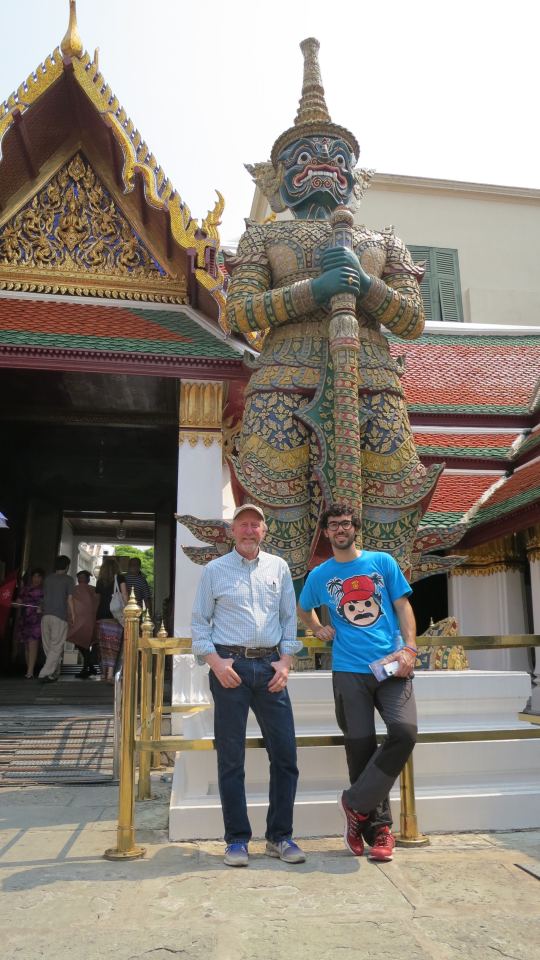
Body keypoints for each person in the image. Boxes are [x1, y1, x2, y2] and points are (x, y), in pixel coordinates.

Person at [221, 37, 440, 591]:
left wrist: (364, 285)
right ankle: (282, 625)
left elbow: (412, 320)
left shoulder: (381, 240)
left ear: (352, 176)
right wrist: (314, 289)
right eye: (304, 157)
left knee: (389, 509)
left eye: (338, 158)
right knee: (281, 511)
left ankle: (385, 624)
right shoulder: (264, 239)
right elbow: (238, 314)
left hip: (372, 378)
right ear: (279, 177)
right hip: (282, 383)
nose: (323, 165)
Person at [297, 503, 418, 862]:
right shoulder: (321, 575)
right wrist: (317, 627)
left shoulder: (382, 563)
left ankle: (354, 805)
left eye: (346, 523)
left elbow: (402, 607)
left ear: (355, 528)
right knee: (360, 746)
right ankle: (378, 831)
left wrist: (410, 648)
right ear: (326, 532)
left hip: (391, 665)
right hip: (349, 669)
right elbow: (304, 606)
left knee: (405, 731)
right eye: (333, 525)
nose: (340, 529)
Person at [191, 504, 305, 867]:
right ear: (231, 531)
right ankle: (237, 839)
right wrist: (215, 662)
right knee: (231, 757)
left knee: (285, 755)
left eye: (255, 524)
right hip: (230, 668)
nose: (249, 530)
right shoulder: (214, 570)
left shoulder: (278, 568)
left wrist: (286, 662)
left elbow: (289, 620)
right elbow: (198, 622)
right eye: (242, 524)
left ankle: (280, 837)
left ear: (264, 531)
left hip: (271, 668)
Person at [38, 555, 75, 683]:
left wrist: (40, 607)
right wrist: (73, 615)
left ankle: (54, 672)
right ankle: (44, 673)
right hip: (60, 616)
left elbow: (44, 596)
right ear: (67, 566)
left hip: (45, 615)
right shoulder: (69, 579)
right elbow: (70, 599)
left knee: (48, 646)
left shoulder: (48, 579)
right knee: (56, 646)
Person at [95, 557, 128, 682]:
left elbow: (97, 599)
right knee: (113, 645)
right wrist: (129, 609)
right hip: (115, 615)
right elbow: (124, 595)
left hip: (101, 616)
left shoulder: (100, 581)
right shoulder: (120, 578)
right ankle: (110, 674)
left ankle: (104, 673)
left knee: (104, 646)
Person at [68, 570, 99, 678]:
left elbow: (69, 603)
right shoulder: (93, 590)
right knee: (83, 644)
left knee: (80, 643)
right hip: (91, 620)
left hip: (78, 620)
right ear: (89, 579)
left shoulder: (74, 589)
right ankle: (89, 667)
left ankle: (88, 667)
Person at [15, 567, 44, 678]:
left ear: (42, 578)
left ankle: (30, 671)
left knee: (33, 644)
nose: (36, 578)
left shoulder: (44, 590)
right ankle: (29, 669)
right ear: (31, 577)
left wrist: (42, 607)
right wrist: (16, 603)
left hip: (36, 620)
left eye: (39, 576)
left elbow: (45, 604)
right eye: (35, 576)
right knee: (27, 645)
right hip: (25, 619)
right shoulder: (24, 589)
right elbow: (19, 602)